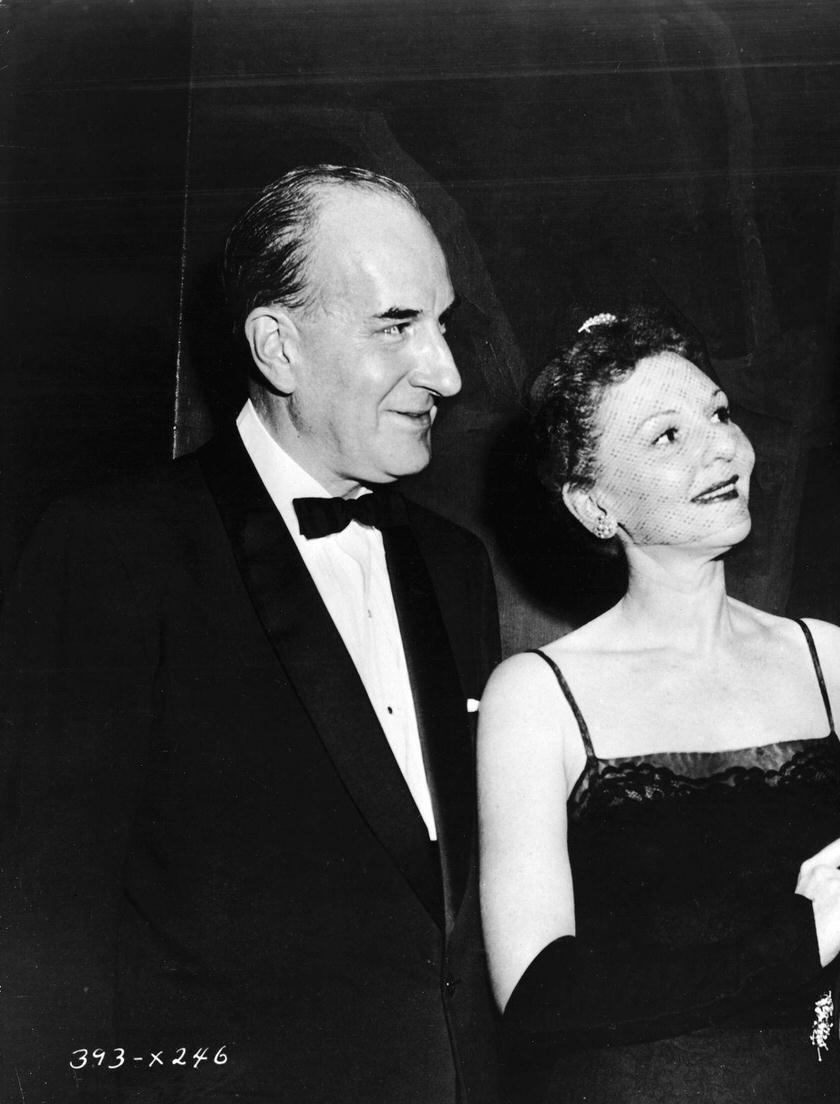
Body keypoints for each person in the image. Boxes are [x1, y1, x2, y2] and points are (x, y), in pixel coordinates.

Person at [0, 165, 501, 1103]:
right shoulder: (113, 551)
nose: (448, 372)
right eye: (397, 326)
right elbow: (40, 940)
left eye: (442, 324)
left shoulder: (454, 566)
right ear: (277, 346)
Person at [478, 308, 840, 1103]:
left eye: (719, 414)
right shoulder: (536, 695)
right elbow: (537, 996)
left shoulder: (836, 662)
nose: (721, 445)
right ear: (594, 505)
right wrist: (793, 944)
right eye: (667, 436)